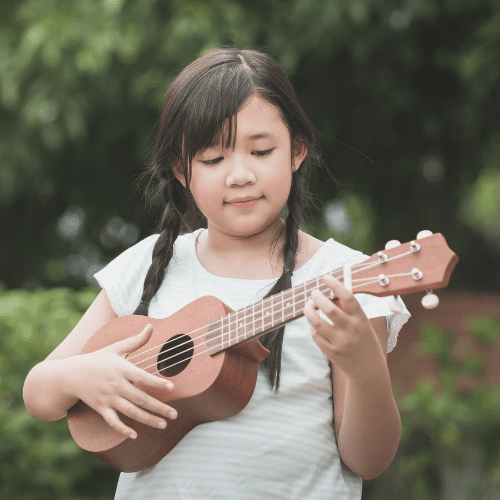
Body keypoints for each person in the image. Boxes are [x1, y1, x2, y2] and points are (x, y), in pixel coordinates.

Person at [23, 47, 410, 499]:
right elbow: (39, 393)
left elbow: (369, 459)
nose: (239, 175)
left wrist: (363, 366)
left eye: (261, 150)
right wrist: (81, 377)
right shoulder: (150, 264)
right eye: (212, 159)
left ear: (297, 150)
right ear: (180, 169)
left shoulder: (344, 278)